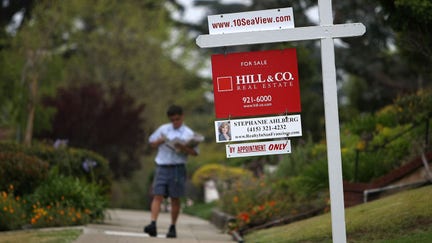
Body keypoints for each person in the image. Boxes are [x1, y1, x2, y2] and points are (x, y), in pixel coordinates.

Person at [144, 105, 198, 238]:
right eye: (172, 120)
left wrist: (183, 148)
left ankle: (172, 227)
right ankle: (153, 224)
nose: (175, 122)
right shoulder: (163, 129)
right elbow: (151, 143)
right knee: (158, 195)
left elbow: (195, 152)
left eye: (177, 119)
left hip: (177, 168)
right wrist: (160, 140)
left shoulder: (188, 133)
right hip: (162, 166)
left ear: (182, 117)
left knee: (175, 198)